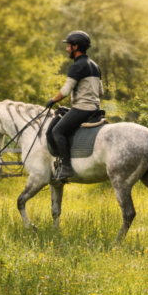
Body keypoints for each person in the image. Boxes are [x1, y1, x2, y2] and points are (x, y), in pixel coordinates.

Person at [45, 30, 104, 181]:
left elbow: (65, 91)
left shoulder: (77, 66)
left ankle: (66, 167)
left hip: (82, 109)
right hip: (94, 109)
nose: (67, 49)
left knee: (57, 131)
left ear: (76, 46)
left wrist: (52, 101)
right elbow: (101, 92)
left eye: (69, 46)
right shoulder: (95, 66)